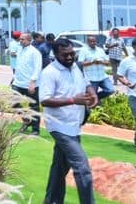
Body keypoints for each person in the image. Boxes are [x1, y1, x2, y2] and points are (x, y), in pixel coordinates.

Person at [39, 38, 98, 204]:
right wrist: (73, 100)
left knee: (59, 168)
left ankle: (51, 201)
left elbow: (86, 83)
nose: (70, 57)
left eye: (72, 53)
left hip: (74, 125)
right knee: (82, 169)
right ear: (56, 54)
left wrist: (92, 92)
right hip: (59, 126)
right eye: (66, 55)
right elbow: (44, 100)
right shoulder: (49, 73)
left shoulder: (75, 67)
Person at [12, 33, 43, 135]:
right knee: (13, 102)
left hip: (30, 84)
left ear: (29, 40)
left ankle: (35, 130)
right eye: (20, 39)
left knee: (34, 107)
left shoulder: (35, 52)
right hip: (18, 82)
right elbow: (20, 65)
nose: (20, 41)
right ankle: (26, 119)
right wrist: (14, 78)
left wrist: (33, 82)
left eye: (23, 39)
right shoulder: (20, 49)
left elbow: (37, 68)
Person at [77, 35, 115, 101]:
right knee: (91, 96)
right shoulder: (83, 50)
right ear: (87, 42)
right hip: (91, 78)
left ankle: (97, 97)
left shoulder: (100, 50)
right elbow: (81, 63)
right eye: (91, 41)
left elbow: (107, 62)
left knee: (111, 90)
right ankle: (93, 103)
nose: (93, 43)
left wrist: (101, 62)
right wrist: (92, 62)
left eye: (94, 41)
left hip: (102, 76)